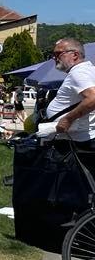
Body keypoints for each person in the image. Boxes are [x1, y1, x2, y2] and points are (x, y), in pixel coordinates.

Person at [49, 38, 95, 168]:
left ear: (75, 55)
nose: (55, 58)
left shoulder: (79, 72)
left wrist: (67, 119)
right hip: (80, 138)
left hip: (78, 142)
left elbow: (93, 98)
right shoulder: (89, 70)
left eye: (58, 54)